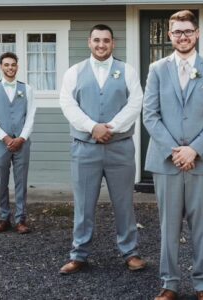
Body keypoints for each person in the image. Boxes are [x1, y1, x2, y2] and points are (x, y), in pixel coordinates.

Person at [143, 10, 203, 300]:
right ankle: (169, 283)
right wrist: (175, 151)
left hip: (201, 161)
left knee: (200, 225)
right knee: (168, 225)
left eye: (187, 31)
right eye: (177, 32)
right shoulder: (156, 69)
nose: (182, 36)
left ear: (197, 33)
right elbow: (150, 115)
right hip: (166, 162)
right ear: (169, 35)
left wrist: (194, 149)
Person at [59, 24, 146, 275]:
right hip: (85, 148)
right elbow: (67, 104)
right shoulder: (74, 72)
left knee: (124, 203)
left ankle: (130, 252)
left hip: (119, 148)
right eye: (96, 40)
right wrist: (92, 127)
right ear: (89, 42)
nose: (101, 45)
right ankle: (79, 255)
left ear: (113, 43)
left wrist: (112, 127)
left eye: (106, 40)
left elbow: (135, 103)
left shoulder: (127, 71)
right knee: (83, 204)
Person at [0, 52, 36, 234]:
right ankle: (3, 218)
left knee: (21, 181)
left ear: (17, 66)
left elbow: (30, 116)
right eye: (6, 65)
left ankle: (21, 219)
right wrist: (5, 138)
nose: (10, 68)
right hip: (1, 143)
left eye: (13, 64)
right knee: (2, 182)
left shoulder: (26, 89)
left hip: (22, 142)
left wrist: (21, 138)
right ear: (1, 66)